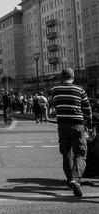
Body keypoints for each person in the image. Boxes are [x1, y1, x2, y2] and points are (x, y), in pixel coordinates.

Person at [50, 68, 92, 197]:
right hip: (77, 125)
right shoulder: (79, 90)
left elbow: (55, 106)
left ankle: (70, 180)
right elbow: (87, 108)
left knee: (66, 154)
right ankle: (76, 179)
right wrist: (89, 122)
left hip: (62, 125)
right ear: (73, 77)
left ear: (62, 78)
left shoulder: (54, 90)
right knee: (80, 153)